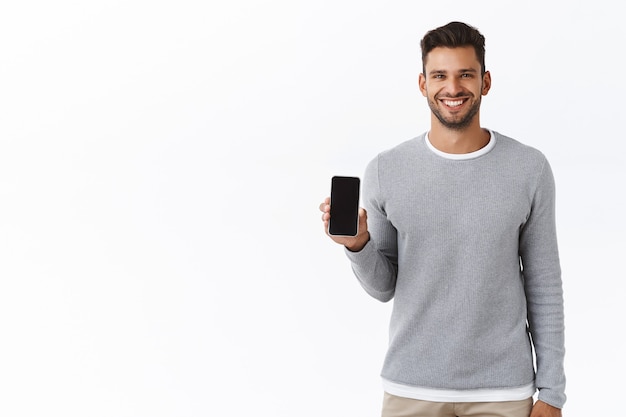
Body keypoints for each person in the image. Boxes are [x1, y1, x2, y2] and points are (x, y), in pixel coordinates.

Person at [319, 21, 566, 417]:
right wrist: (357, 244)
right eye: (440, 76)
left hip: (502, 391)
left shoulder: (528, 169)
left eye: (465, 74)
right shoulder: (386, 169)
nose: (453, 88)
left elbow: (544, 283)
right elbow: (384, 288)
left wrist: (552, 392)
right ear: (422, 84)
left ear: (485, 82)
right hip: (409, 387)